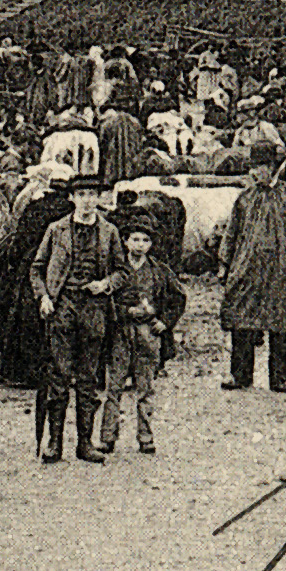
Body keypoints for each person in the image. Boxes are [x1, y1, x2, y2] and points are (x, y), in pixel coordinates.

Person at [28, 176, 128, 463]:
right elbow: (36, 268)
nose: (86, 200)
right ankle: (54, 443)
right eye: (81, 194)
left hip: (94, 309)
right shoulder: (56, 230)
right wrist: (44, 297)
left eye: (92, 194)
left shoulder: (109, 231)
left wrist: (106, 284)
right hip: (63, 308)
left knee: (88, 380)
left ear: (99, 198)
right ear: (72, 198)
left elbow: (122, 271)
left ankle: (85, 443)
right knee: (58, 378)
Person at [218, 141, 286, 394]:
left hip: (280, 271)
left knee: (280, 324)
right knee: (241, 320)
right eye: (254, 167)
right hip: (247, 269)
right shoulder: (245, 197)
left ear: (273, 167)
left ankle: (279, 377)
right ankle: (240, 375)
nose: (255, 173)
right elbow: (231, 232)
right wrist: (224, 263)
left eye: (261, 167)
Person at [98, 213, 186, 455]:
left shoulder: (159, 271)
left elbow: (179, 298)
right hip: (120, 334)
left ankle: (146, 437)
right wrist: (125, 311)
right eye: (135, 239)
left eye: (145, 240)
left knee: (145, 388)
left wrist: (163, 320)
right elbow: (105, 300)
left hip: (148, 335)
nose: (140, 245)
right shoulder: (116, 269)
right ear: (125, 242)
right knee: (114, 386)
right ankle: (107, 437)